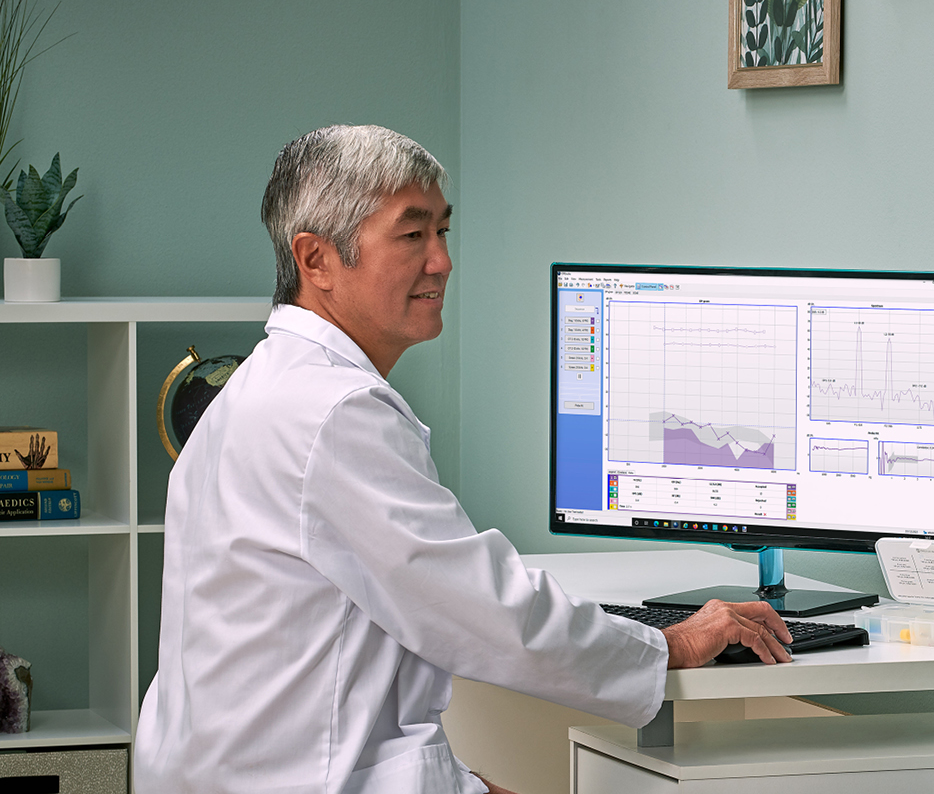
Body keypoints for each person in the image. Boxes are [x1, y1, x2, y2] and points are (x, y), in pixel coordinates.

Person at [135, 125, 794, 794]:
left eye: (442, 232)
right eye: (411, 234)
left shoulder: (256, 389)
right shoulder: (333, 412)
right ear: (318, 260)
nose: (442, 262)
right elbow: (483, 611)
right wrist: (671, 647)